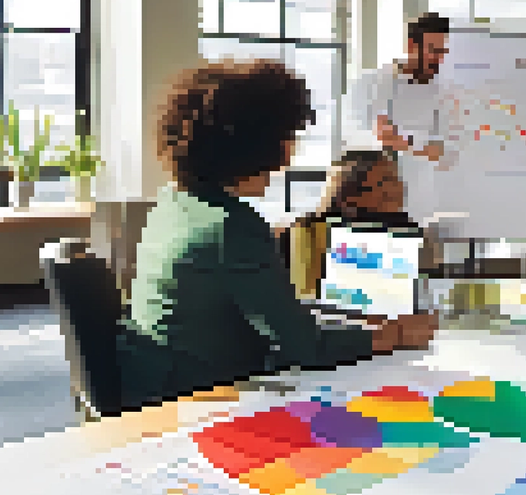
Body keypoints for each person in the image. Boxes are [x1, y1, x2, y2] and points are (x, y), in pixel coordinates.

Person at [118, 60, 396, 409]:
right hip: (194, 396)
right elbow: (305, 348)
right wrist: (395, 334)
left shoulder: (175, 202)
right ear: (257, 143)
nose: (289, 154)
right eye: (288, 137)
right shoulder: (232, 227)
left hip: (153, 375)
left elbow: (259, 310)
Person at [287, 149, 437, 349]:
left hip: (395, 344)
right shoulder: (311, 233)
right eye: (384, 182)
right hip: (339, 343)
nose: (397, 189)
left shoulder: (407, 231)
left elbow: (421, 297)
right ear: (349, 196)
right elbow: (310, 307)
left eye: (396, 179)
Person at [342, 12, 465, 222]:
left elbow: (450, 153)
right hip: (370, 203)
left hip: (424, 206)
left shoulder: (448, 94)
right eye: (433, 51)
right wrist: (387, 139)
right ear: (411, 46)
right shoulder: (368, 85)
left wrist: (403, 141)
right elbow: (351, 141)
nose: (438, 60)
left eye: (443, 52)